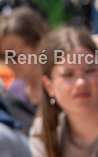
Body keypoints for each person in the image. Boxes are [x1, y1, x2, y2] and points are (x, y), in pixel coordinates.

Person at [30, 26, 98, 156]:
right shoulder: (43, 134)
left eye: (90, 71)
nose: (81, 83)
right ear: (49, 86)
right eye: (68, 75)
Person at [0, 7, 48, 117]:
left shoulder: (66, 88)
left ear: (39, 46)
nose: (8, 64)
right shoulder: (13, 93)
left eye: (13, 56)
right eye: (2, 57)